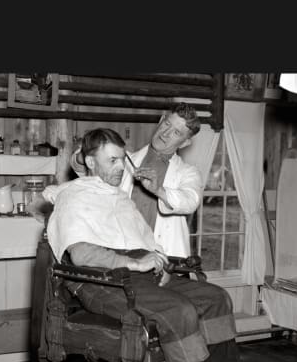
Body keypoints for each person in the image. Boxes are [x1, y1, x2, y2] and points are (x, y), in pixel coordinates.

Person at [45, 128, 249, 362]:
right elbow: (82, 256)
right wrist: (135, 263)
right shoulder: (74, 198)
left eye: (121, 160)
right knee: (178, 311)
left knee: (215, 297)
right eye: (111, 160)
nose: (119, 168)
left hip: (135, 276)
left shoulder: (117, 198)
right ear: (90, 161)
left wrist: (160, 263)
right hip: (100, 282)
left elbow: (141, 243)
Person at [68, 102, 203, 258]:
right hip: (123, 254)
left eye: (176, 133)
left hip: (167, 257)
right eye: (167, 124)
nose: (165, 134)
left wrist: (158, 190)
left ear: (185, 142)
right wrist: (83, 156)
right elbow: (86, 171)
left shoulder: (188, 173)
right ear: (161, 120)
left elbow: (190, 201)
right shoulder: (125, 161)